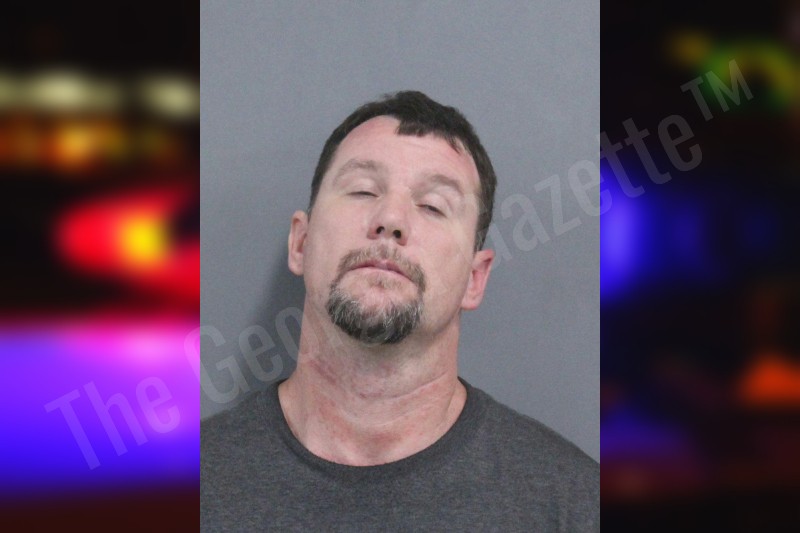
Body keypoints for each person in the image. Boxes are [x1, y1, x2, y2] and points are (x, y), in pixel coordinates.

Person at [201, 91, 599, 531]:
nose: (390, 218)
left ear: (475, 278)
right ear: (301, 242)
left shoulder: (576, 506)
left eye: (432, 206)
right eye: (363, 189)